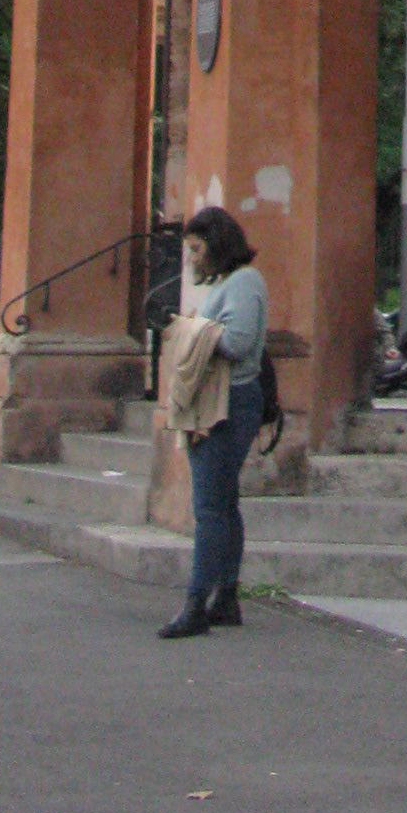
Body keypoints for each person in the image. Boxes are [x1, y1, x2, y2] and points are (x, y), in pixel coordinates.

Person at [160, 204, 268, 639]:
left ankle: (197, 603)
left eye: (196, 248)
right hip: (224, 400)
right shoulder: (232, 282)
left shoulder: (243, 282)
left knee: (208, 508)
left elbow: (239, 342)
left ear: (217, 244)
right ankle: (224, 597)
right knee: (222, 504)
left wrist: (191, 331)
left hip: (230, 401)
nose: (192, 258)